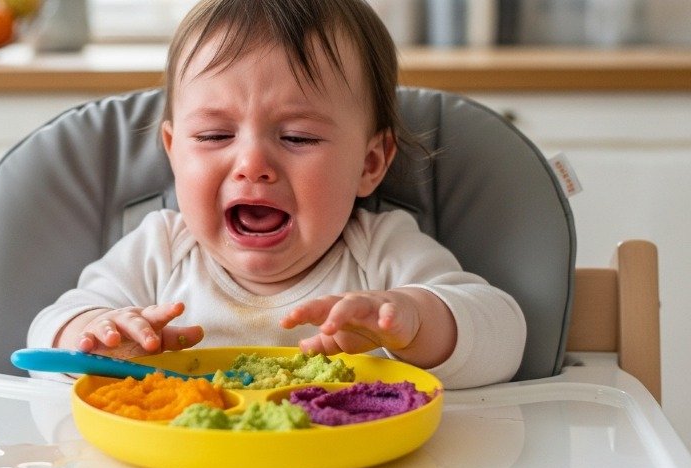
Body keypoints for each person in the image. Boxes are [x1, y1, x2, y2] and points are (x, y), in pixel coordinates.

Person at [28, 0, 526, 389]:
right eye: (214, 136)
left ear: (370, 164)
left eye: (299, 138)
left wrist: (414, 323)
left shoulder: (380, 252)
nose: (253, 166)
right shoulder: (160, 250)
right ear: (174, 152)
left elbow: (503, 335)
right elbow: (44, 336)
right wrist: (98, 336)